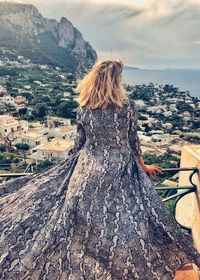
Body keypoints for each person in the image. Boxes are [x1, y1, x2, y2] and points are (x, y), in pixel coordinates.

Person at [0, 60, 199, 280]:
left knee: (85, 222)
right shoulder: (128, 107)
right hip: (120, 170)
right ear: (116, 81)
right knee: (127, 219)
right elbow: (133, 142)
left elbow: (79, 144)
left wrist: (67, 169)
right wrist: (143, 166)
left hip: (87, 171)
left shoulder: (84, 108)